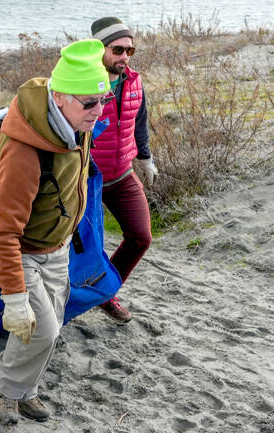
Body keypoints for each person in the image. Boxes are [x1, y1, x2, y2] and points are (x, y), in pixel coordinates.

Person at [0, 40, 111, 425]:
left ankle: (24, 390)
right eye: (89, 103)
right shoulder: (25, 152)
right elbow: (2, 231)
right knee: (40, 329)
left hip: (55, 245)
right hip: (18, 246)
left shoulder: (76, 122)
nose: (98, 111)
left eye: (103, 99)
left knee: (50, 325)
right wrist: (15, 297)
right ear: (58, 96)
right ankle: (2, 387)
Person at [90, 17, 158, 323]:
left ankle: (104, 292)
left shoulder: (134, 81)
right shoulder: (82, 81)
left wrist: (145, 159)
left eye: (130, 50)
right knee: (75, 246)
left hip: (121, 174)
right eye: (118, 49)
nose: (125, 56)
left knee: (141, 237)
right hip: (85, 179)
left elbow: (138, 121)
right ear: (100, 49)